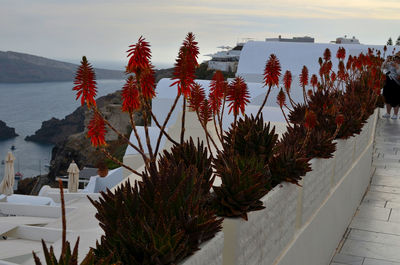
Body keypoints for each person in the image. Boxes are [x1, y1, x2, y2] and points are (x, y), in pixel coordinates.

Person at [382, 52, 400, 119]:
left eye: (398, 58)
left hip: (396, 84)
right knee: (387, 99)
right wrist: (386, 60)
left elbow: (399, 73)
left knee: (395, 100)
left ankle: (395, 114)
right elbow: (382, 67)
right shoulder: (390, 63)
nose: (396, 59)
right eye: (396, 58)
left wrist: (397, 66)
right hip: (388, 82)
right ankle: (388, 113)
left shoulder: (398, 65)